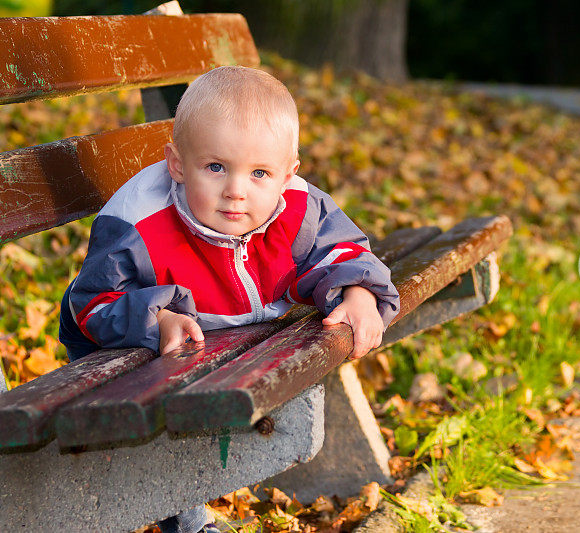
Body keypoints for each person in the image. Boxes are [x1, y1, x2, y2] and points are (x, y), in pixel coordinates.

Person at [58, 66, 400, 533]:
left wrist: (359, 291)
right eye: (215, 167)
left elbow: (339, 249)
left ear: (287, 174)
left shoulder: (294, 207)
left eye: (260, 173)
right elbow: (91, 302)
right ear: (177, 164)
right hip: (125, 337)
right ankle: (186, 521)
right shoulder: (138, 224)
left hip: (222, 327)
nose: (236, 191)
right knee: (161, 412)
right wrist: (156, 321)